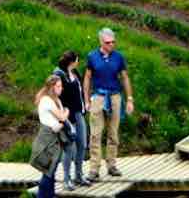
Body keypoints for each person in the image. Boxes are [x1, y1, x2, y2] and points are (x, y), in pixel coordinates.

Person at [85, 27, 134, 179]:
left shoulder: (119, 57)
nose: (111, 45)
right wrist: (86, 100)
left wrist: (130, 99)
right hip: (98, 97)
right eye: (108, 42)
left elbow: (125, 77)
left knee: (113, 133)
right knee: (95, 134)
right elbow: (87, 78)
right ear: (101, 41)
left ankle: (111, 165)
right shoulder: (92, 56)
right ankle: (94, 168)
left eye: (113, 42)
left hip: (115, 97)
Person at [57, 51, 90, 188]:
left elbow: (80, 91)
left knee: (82, 144)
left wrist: (85, 104)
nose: (78, 62)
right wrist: (61, 114)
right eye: (77, 60)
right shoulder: (59, 75)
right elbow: (55, 95)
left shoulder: (75, 73)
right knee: (69, 148)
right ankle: (66, 179)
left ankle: (78, 175)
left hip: (79, 113)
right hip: (67, 115)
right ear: (71, 62)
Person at [33, 73, 69, 198]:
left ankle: (50, 195)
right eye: (58, 86)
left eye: (61, 86)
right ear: (52, 87)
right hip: (48, 137)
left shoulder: (54, 100)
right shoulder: (47, 100)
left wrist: (62, 112)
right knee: (49, 171)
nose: (61, 88)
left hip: (54, 135)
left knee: (51, 170)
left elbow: (61, 117)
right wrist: (67, 111)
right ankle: (42, 196)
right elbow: (62, 117)